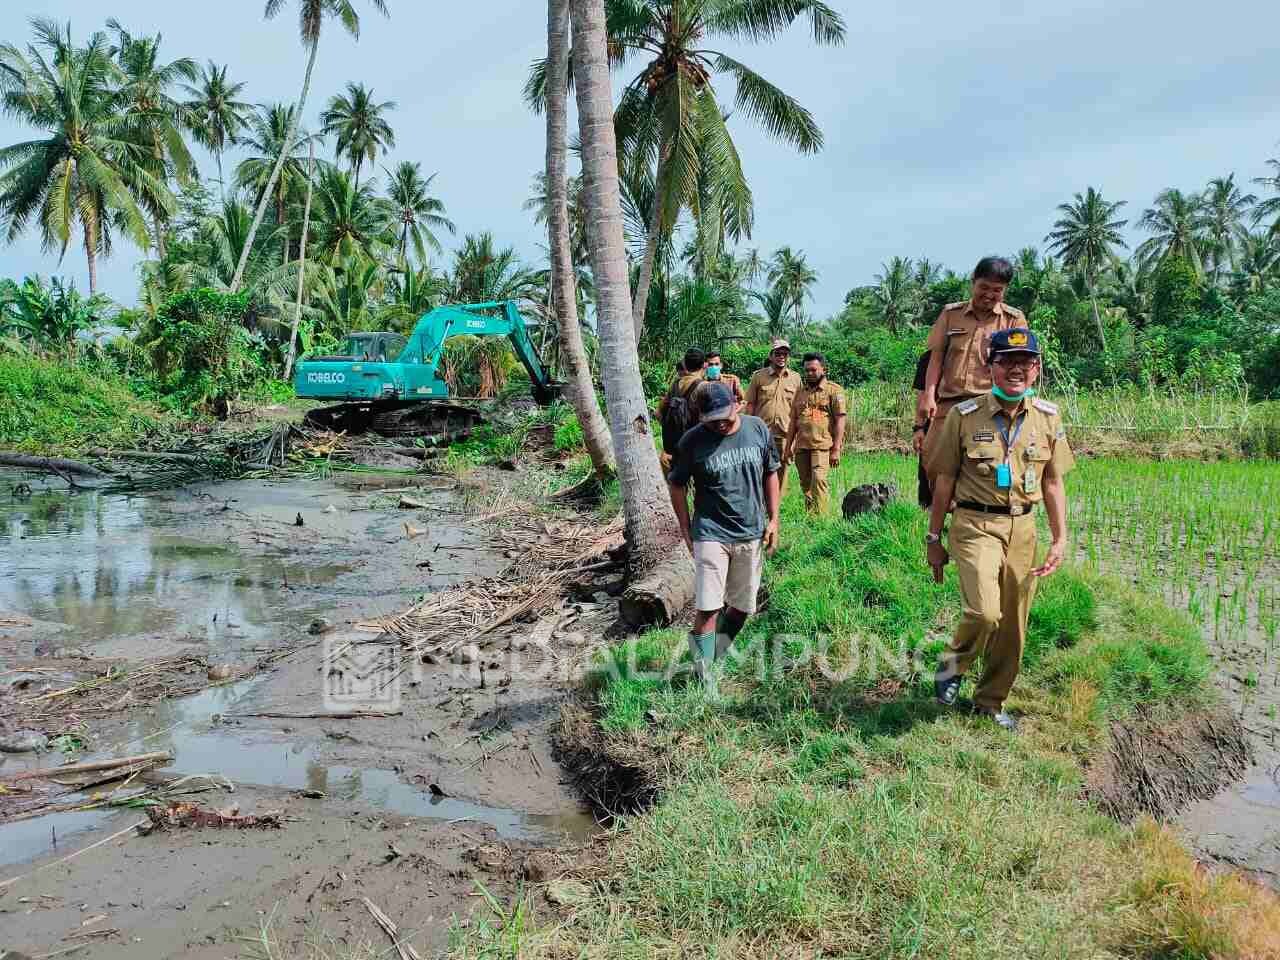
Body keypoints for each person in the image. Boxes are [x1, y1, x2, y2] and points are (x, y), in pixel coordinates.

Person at [924, 328, 1074, 732]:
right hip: (975, 523)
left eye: (1025, 362)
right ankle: (951, 667)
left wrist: (1060, 538)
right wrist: (934, 538)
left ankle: (989, 702)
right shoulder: (964, 415)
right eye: (1007, 361)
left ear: (1036, 369)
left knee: (1014, 625)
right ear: (990, 366)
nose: (1016, 370)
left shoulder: (1048, 417)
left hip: (1023, 527)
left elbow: (1053, 481)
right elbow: (944, 481)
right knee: (986, 612)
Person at [668, 382, 781, 695]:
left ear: (738, 405)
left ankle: (710, 657)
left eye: (724, 416)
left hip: (751, 530)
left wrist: (774, 519)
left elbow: (771, 472)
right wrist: (685, 527)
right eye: (711, 418)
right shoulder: (692, 442)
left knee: (743, 607)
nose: (719, 423)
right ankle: (703, 679)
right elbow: (677, 484)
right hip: (710, 532)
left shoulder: (758, 430)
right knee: (708, 606)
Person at [917, 257, 1026, 500]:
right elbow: (935, 358)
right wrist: (928, 396)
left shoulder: (1013, 320)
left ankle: (984, 517)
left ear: (1005, 291)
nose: (989, 294)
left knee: (990, 464)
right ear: (973, 283)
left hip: (991, 404)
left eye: (997, 290)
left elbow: (1021, 366)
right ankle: (949, 516)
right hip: (949, 403)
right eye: (984, 287)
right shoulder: (950, 314)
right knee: (933, 460)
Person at [783, 353, 846, 514]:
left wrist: (837, 449)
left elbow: (840, 420)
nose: (810, 373)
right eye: (807, 370)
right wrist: (788, 446)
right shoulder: (800, 392)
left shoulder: (834, 390)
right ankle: (810, 516)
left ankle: (822, 519)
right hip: (802, 445)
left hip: (822, 445)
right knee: (806, 484)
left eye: (813, 370)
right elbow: (793, 422)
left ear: (823, 369)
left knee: (819, 480)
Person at [745, 339, 802, 494]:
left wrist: (796, 437)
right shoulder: (758, 376)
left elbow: (799, 409)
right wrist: (747, 430)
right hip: (761, 434)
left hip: (785, 435)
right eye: (778, 353)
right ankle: (760, 505)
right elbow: (750, 404)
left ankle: (776, 508)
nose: (781, 357)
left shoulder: (796, 378)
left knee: (782, 472)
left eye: (785, 354)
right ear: (771, 356)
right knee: (759, 470)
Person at [657, 348, 707, 473]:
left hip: (675, 445)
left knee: (678, 483)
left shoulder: (675, 384)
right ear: (704, 365)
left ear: (685, 364)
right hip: (697, 445)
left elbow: (658, 413)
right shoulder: (704, 387)